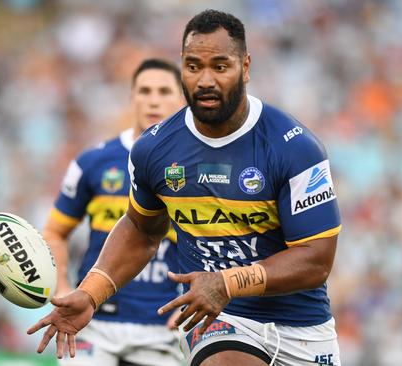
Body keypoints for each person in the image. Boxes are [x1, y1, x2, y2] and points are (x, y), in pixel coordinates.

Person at [28, 10, 342, 366]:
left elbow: (316, 259)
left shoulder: (294, 147)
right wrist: (91, 293)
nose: (205, 80)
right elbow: (141, 230)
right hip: (219, 320)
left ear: (246, 67)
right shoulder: (154, 149)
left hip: (304, 330)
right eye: (193, 67)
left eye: (220, 67)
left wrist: (227, 281)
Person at [43, 58, 186, 366]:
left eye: (164, 91)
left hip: (162, 329)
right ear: (132, 97)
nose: (153, 100)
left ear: (182, 99)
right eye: (144, 91)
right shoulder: (93, 162)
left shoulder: (195, 166)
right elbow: (55, 231)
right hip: (93, 324)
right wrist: (64, 286)